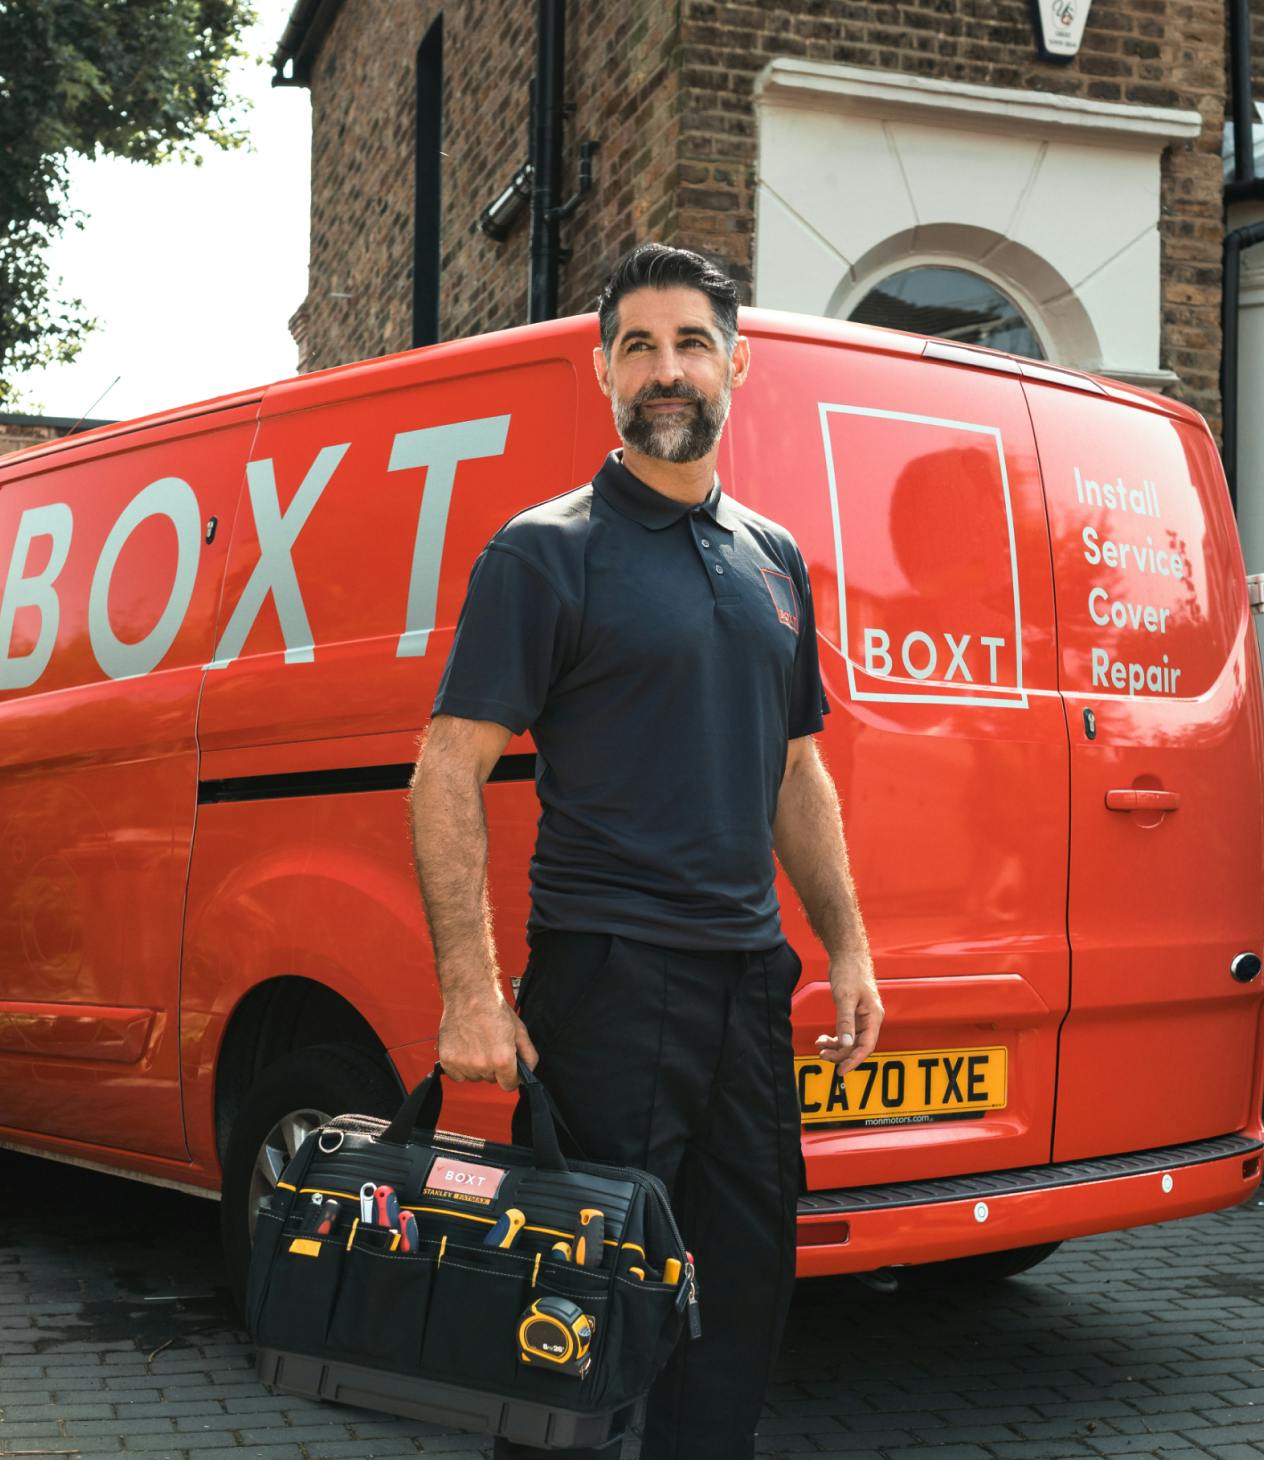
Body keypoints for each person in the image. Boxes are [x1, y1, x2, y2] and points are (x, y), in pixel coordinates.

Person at [407, 242, 883, 1459]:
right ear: (602, 371)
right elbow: (448, 767)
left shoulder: (772, 559)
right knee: (576, 1315)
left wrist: (848, 947)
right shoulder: (546, 549)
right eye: (637, 347)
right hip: (609, 980)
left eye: (688, 344)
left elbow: (794, 770)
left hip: (745, 985)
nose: (665, 370)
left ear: (736, 363)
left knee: (735, 1301)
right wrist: (471, 987)